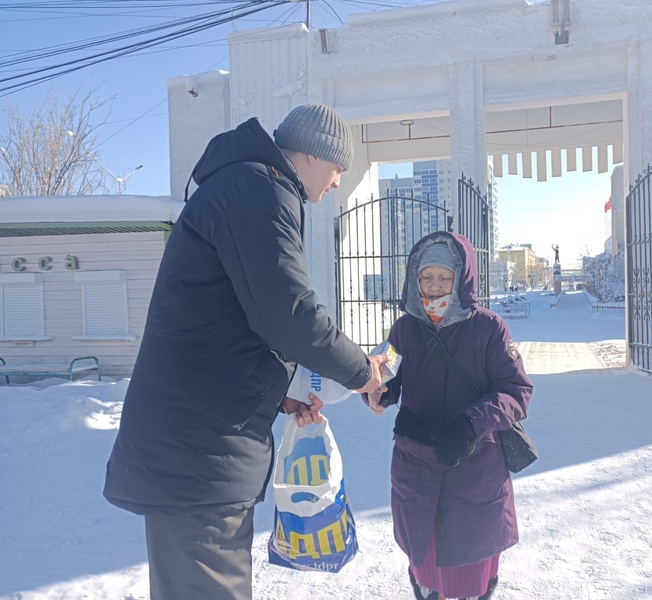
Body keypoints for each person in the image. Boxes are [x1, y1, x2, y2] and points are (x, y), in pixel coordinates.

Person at [103, 104, 388, 600]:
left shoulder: (245, 187)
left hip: (200, 442)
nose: (338, 182)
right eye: (338, 168)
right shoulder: (261, 189)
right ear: (312, 155)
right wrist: (364, 373)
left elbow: (230, 322)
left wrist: (277, 396)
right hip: (199, 452)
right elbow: (290, 316)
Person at [365, 231, 533, 600]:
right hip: (416, 467)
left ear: (462, 279)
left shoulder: (489, 328)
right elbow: (388, 376)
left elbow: (516, 392)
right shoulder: (404, 328)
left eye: (445, 277)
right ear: (415, 279)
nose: (436, 287)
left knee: (468, 570)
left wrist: (472, 424)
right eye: (427, 277)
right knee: (426, 567)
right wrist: (378, 391)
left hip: (474, 470)